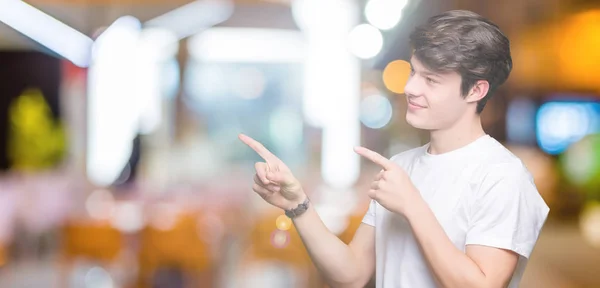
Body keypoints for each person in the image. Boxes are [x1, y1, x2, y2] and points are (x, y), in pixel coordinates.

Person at [239, 9, 549, 288]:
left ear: (476, 90)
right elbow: (352, 274)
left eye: (431, 79)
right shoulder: (401, 166)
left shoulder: (502, 176)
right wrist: (298, 205)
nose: (410, 87)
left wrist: (412, 205)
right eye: (415, 72)